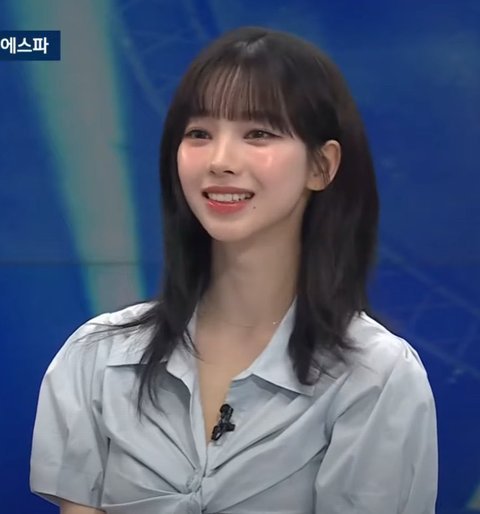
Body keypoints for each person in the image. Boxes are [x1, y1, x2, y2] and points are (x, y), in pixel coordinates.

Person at [30, 26, 438, 514]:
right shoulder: (97, 357)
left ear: (321, 166)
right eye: (199, 134)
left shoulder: (376, 377)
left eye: (258, 133)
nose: (220, 161)